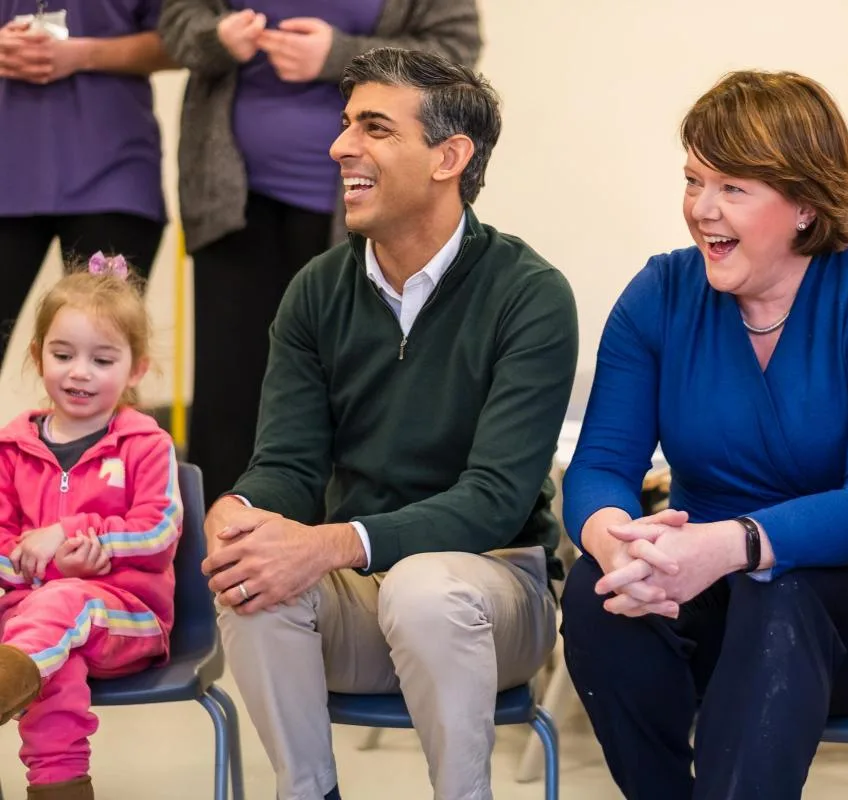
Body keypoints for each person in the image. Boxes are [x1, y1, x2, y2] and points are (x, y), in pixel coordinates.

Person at [559, 69, 848, 799]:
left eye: (733, 188)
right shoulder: (661, 294)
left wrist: (731, 544)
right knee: (597, 592)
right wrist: (616, 540)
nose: (702, 209)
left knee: (782, 590)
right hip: (712, 589)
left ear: (805, 204)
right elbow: (598, 467)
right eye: (693, 180)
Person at [198, 48, 577, 800]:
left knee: (425, 589)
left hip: (493, 592)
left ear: (450, 157)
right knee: (250, 579)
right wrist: (241, 511)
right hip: (363, 594)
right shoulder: (316, 291)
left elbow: (495, 498)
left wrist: (334, 542)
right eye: (345, 126)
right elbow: (289, 464)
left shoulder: (530, 295)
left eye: (374, 128)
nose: (341, 147)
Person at [158, 0, 482, 506]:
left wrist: (341, 57)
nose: (343, 143)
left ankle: (337, 557)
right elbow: (175, 27)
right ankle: (222, 560)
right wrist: (217, 39)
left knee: (349, 398)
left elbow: (456, 56)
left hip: (361, 219)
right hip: (231, 205)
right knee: (229, 401)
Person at [0, 253, 182, 800]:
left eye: (102, 360)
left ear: (136, 369)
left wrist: (72, 536)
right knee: (55, 657)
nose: (80, 372)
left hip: (127, 616)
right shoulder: (10, 448)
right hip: (34, 619)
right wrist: (50, 566)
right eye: (62, 354)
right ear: (37, 356)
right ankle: (60, 790)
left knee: (66, 605)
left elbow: (158, 532)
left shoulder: (147, 443)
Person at [0, 0, 173, 361]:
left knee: (102, 352)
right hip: (10, 165)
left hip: (112, 169)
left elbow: (179, 41)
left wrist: (84, 55)